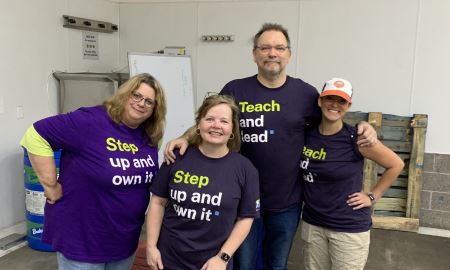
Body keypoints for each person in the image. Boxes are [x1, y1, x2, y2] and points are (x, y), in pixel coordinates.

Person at [164, 23, 377, 270]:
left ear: (289, 54)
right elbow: (212, 119)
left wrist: (364, 125)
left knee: (276, 265)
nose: (272, 53)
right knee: (244, 264)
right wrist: (185, 137)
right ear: (254, 54)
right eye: (265, 48)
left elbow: (332, 117)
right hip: (241, 199)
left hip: (286, 202)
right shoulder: (236, 89)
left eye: (279, 48)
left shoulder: (305, 94)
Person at [20, 73, 167, 270]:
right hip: (84, 239)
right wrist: (50, 185)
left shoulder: (148, 137)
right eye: (136, 95)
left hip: (124, 238)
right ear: (124, 94)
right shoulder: (90, 121)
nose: (141, 103)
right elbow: (35, 136)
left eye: (149, 102)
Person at [299, 78, 404, 270]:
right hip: (313, 224)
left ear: (348, 106)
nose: (334, 105)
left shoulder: (357, 138)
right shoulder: (307, 134)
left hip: (348, 228)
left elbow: (396, 164)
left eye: (341, 101)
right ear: (320, 101)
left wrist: (372, 196)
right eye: (330, 98)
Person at [146, 94, 260, 270]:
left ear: (232, 129)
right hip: (168, 260)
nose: (216, 125)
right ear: (199, 125)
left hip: (212, 264)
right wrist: (151, 246)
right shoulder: (176, 157)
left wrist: (223, 258)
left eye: (224, 121)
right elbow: (158, 201)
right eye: (210, 119)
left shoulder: (246, 169)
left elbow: (246, 217)